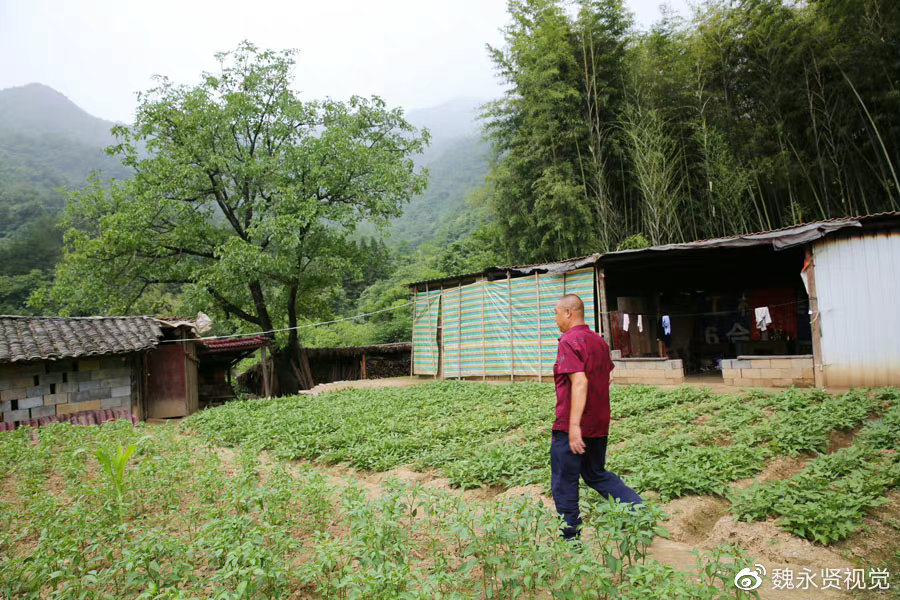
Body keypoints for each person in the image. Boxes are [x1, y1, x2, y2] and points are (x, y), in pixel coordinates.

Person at [551, 294, 643, 540]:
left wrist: (573, 427)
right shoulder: (598, 342)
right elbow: (607, 378)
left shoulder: (569, 341)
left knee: (564, 481)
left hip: (574, 427)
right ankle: (638, 510)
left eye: (557, 314)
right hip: (598, 424)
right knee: (595, 474)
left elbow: (579, 381)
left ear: (569, 313)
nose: (556, 319)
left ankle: (571, 539)